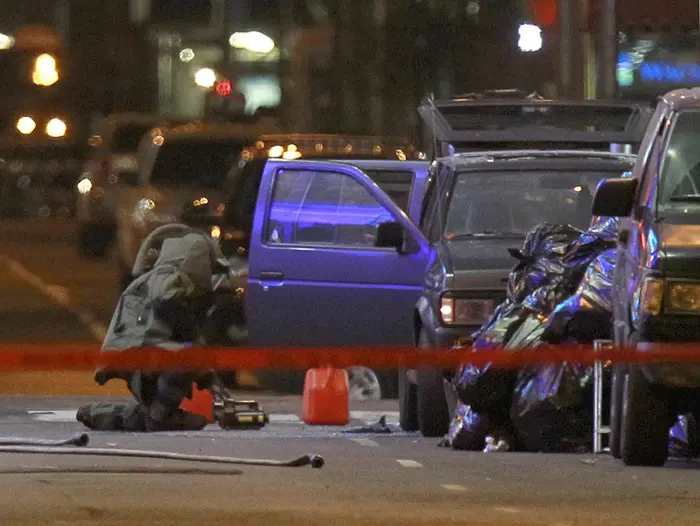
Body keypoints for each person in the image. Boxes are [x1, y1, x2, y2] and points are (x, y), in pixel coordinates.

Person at [77, 227, 231, 431]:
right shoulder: (169, 278)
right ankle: (160, 417)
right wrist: (194, 342)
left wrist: (208, 377)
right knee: (188, 358)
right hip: (141, 353)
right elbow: (165, 301)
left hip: (138, 355)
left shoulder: (152, 279)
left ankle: (99, 414)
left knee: (145, 416)